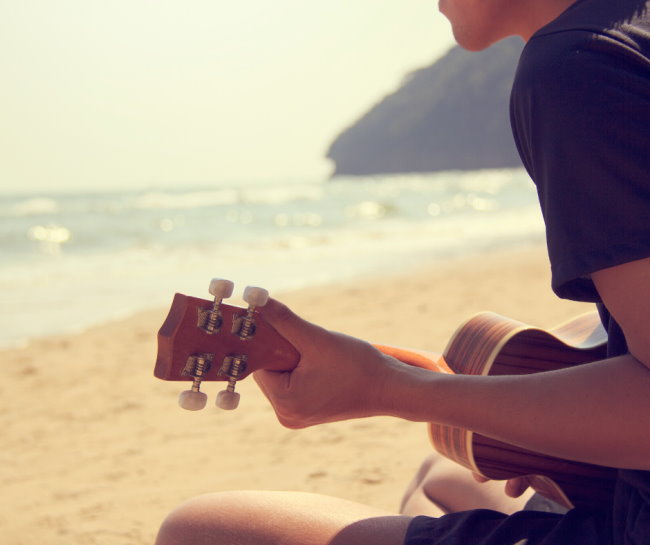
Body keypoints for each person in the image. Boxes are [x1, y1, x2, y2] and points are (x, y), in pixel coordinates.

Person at [155, 0, 650, 543]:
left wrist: (389, 388)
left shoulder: (577, 67)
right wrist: (555, 425)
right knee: (441, 477)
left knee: (201, 529)